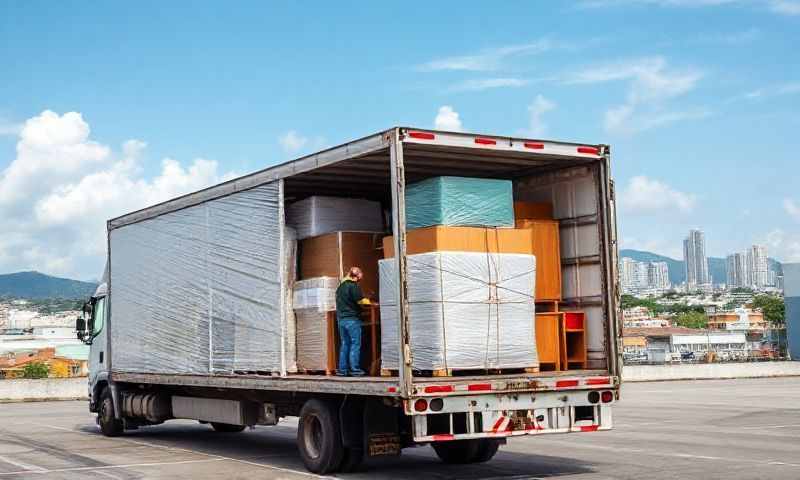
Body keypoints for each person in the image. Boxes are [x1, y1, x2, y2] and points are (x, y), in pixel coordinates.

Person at [335, 266, 371, 376]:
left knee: (345, 344)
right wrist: (369, 302)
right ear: (357, 276)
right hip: (352, 319)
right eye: (361, 276)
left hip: (341, 320)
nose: (361, 278)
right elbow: (360, 301)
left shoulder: (340, 287)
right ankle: (355, 370)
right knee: (355, 344)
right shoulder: (353, 286)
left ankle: (342, 370)